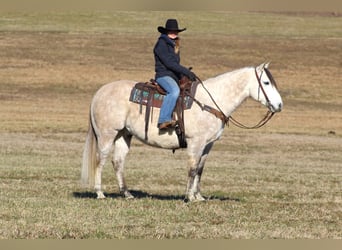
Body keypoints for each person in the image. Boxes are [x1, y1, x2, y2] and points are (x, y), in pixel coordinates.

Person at [153, 19, 196, 130]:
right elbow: (169, 63)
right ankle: (163, 120)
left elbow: (175, 64)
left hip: (172, 75)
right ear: (166, 31)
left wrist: (184, 75)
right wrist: (185, 71)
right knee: (174, 91)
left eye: (175, 31)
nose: (174, 33)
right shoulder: (161, 44)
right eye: (171, 31)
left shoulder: (174, 44)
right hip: (163, 75)